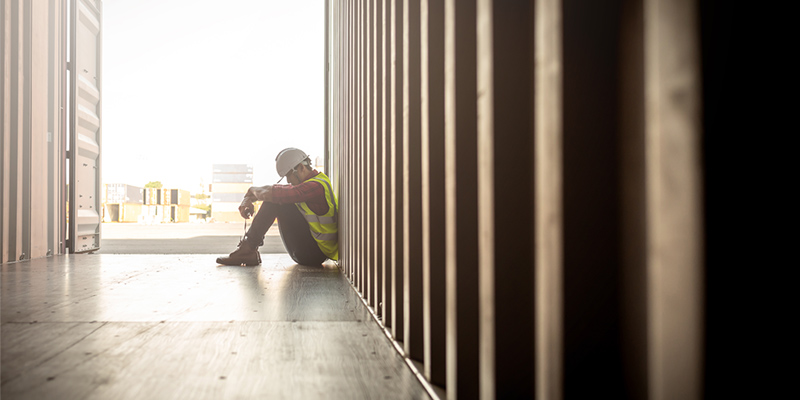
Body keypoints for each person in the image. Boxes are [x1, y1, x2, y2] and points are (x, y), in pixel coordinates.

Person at [216, 148, 338, 266]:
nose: (288, 180)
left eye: (289, 175)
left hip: (314, 254)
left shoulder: (316, 186)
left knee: (276, 200)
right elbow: (282, 191)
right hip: (314, 250)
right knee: (278, 197)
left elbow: (279, 194)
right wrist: (250, 196)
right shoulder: (316, 182)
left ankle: (247, 250)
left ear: (301, 167)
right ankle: (248, 250)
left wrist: (251, 192)